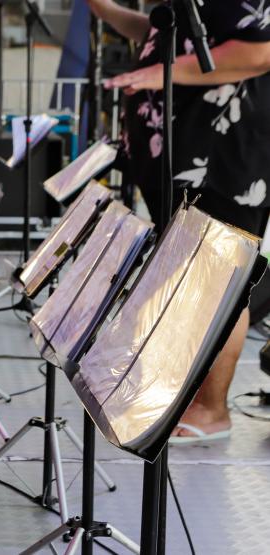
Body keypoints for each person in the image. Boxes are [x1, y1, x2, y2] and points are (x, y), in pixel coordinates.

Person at [90, 0, 270, 443]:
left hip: (225, 160)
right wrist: (106, 10)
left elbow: (257, 52)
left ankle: (213, 410)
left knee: (219, 284)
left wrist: (155, 74)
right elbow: (168, 34)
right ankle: (190, 397)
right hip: (183, 161)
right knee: (190, 281)